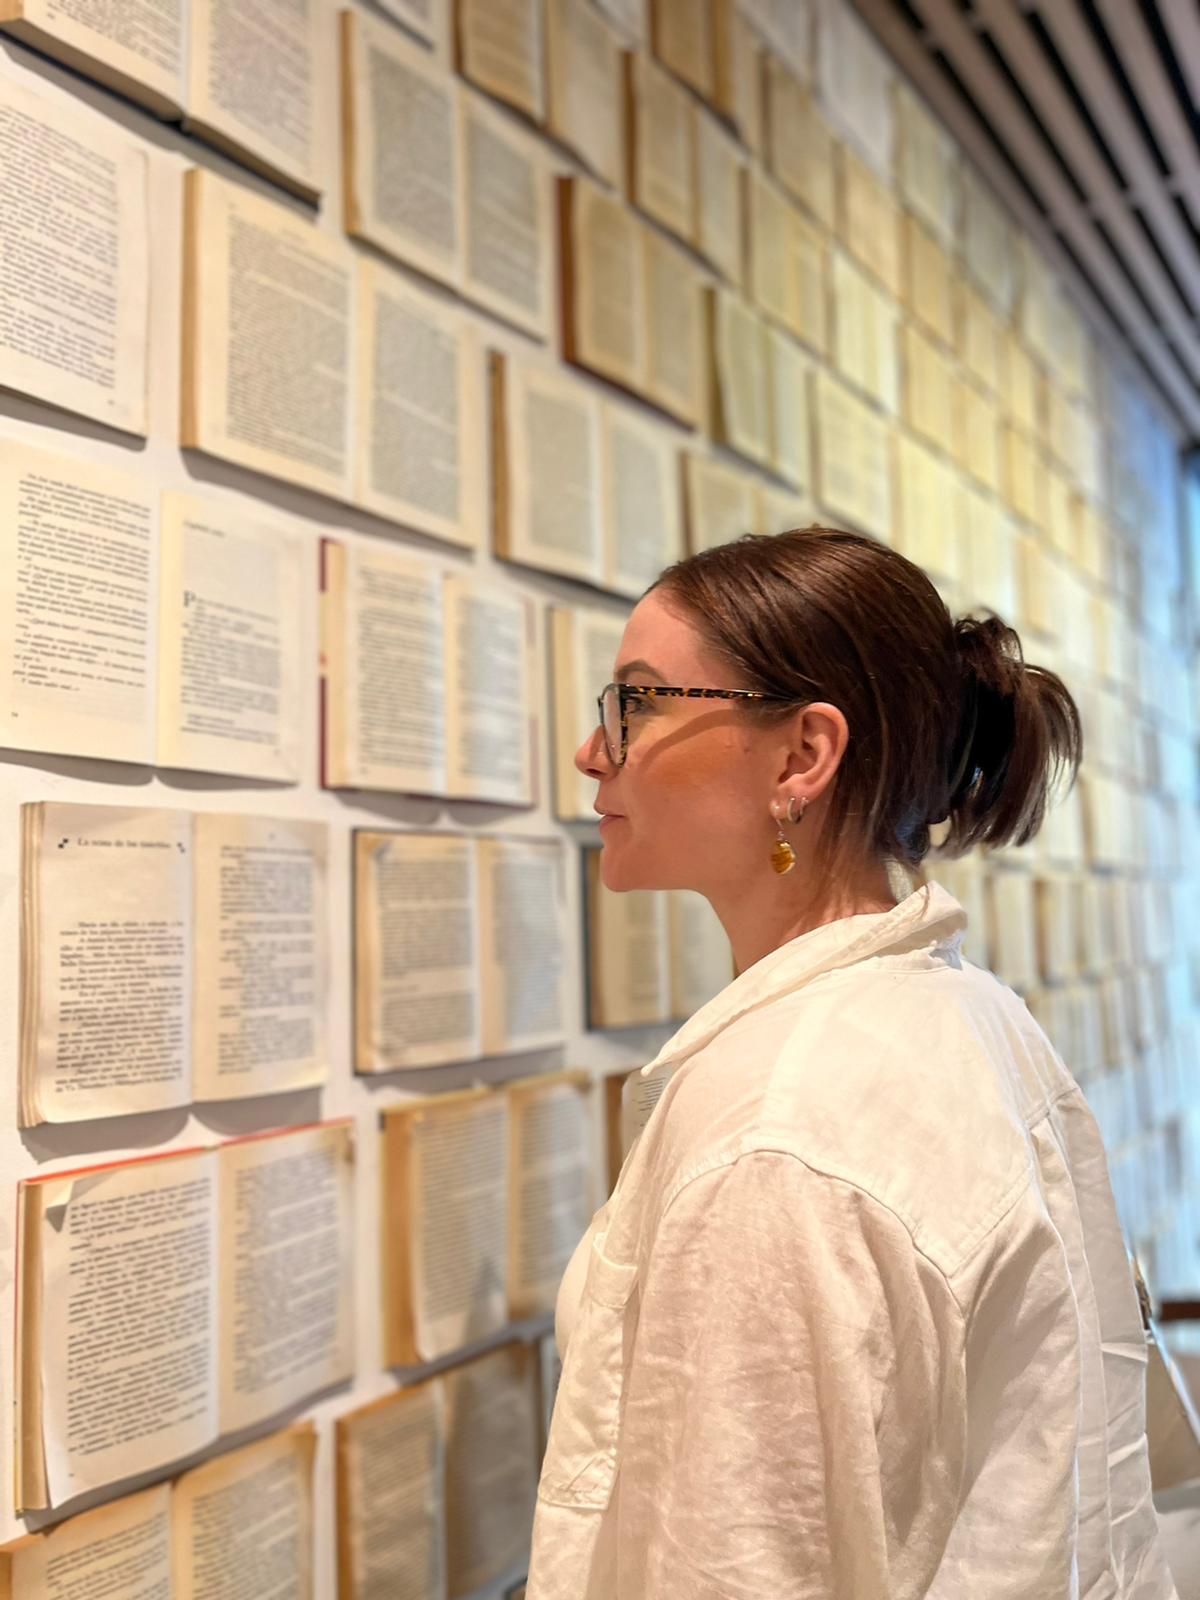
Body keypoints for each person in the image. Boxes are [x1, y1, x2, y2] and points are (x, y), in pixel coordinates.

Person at [525, 528, 1178, 1599]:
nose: (597, 752)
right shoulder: (967, 1013)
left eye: (637, 704)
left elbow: (734, 1568)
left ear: (801, 757)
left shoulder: (777, 1136)